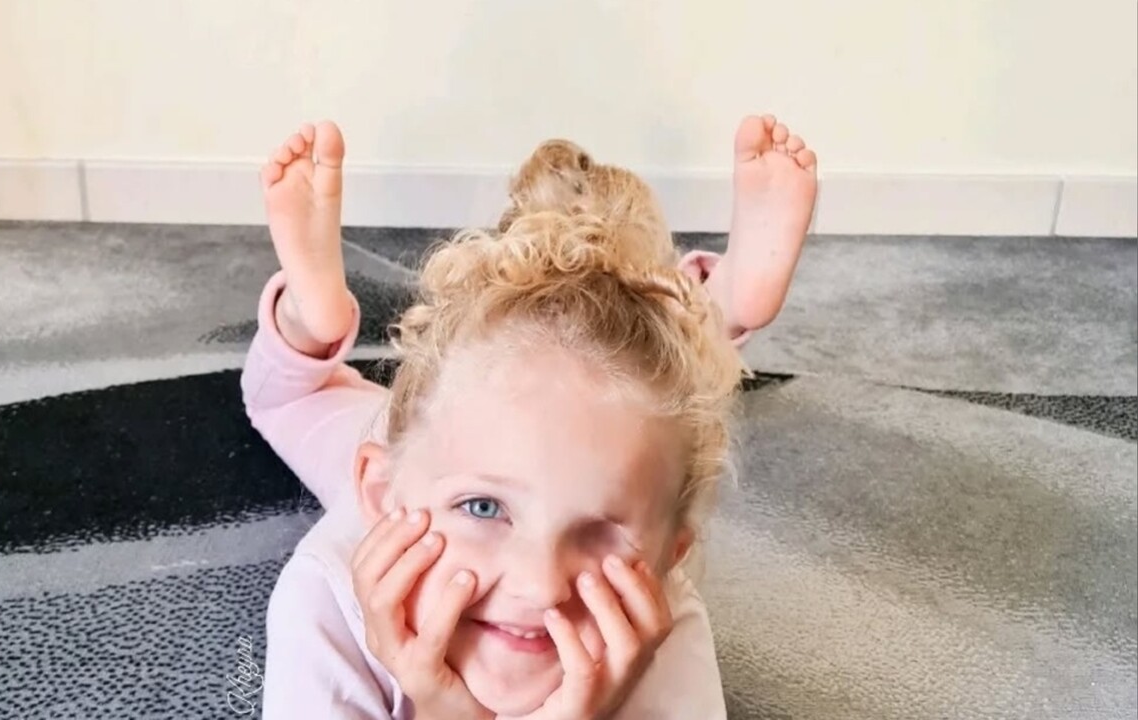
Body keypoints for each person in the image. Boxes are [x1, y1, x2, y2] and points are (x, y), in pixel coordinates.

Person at [244, 117, 817, 718]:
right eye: (482, 508)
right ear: (382, 493)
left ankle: (708, 313)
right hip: (422, 428)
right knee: (284, 399)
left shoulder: (662, 626)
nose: (540, 586)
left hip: (470, 432)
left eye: (599, 529)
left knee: (656, 394)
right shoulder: (326, 598)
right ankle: (310, 321)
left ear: (671, 555)